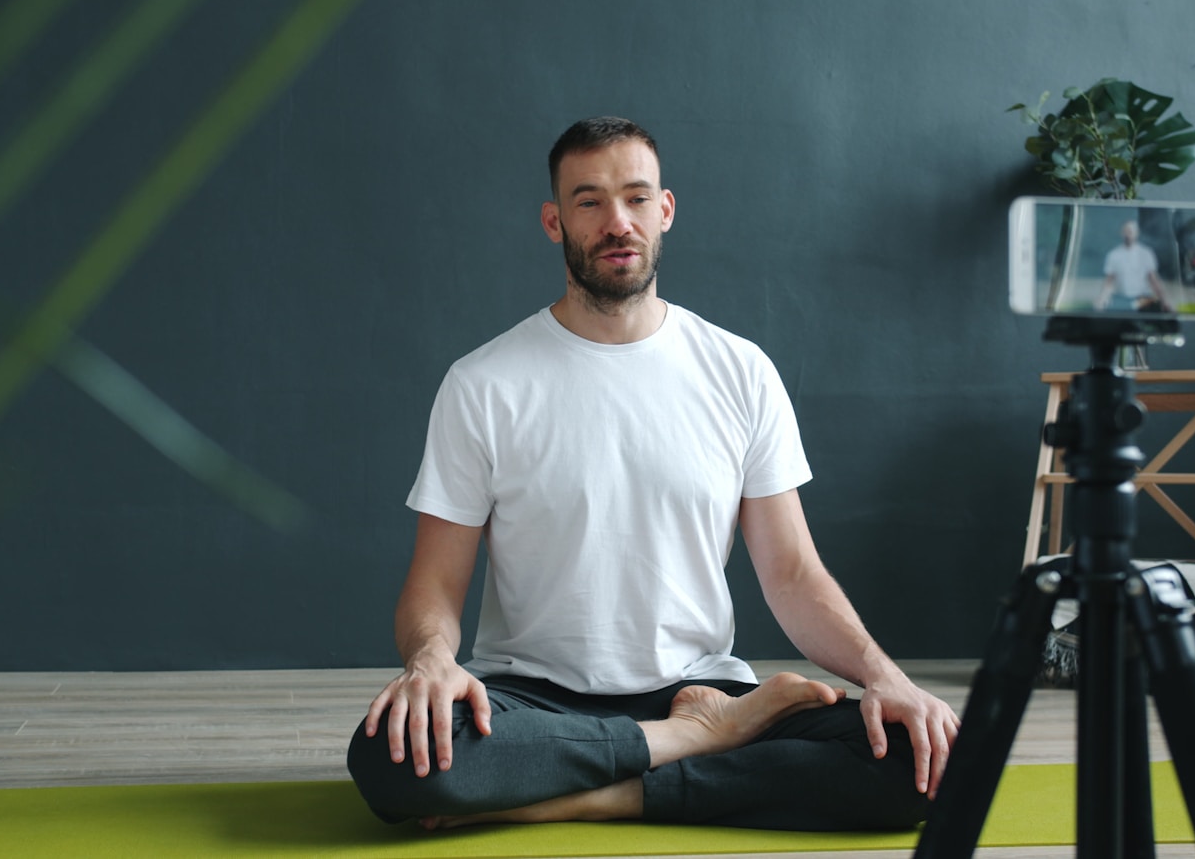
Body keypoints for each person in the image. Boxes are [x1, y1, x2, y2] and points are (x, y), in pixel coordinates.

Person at [345, 116, 959, 832]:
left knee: (917, 756)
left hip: (702, 689)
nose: (618, 222)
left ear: (665, 209)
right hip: (534, 700)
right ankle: (688, 749)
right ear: (554, 222)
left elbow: (793, 574)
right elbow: (434, 583)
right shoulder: (483, 384)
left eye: (636, 198)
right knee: (388, 759)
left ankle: (594, 790)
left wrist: (887, 678)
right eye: (590, 201)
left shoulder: (741, 372)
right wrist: (430, 662)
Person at [1096, 220, 1171, 311]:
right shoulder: (1114, 255)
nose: (1128, 235)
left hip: (1143, 299)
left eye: (1130, 232)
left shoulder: (1146, 253)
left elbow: (1153, 280)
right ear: (1122, 233)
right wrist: (1101, 300)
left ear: (1136, 233)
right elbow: (1109, 282)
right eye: (1126, 232)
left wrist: (1164, 300)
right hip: (1122, 299)